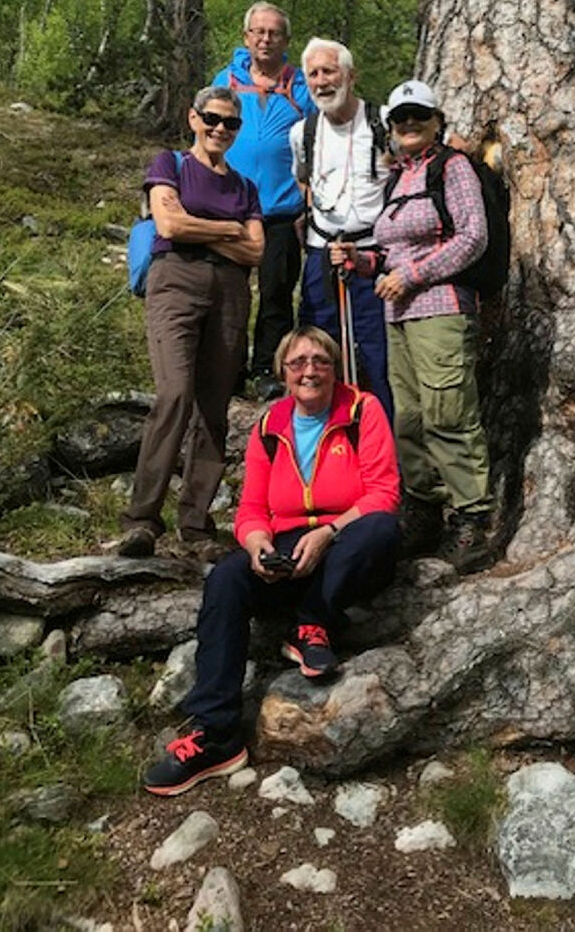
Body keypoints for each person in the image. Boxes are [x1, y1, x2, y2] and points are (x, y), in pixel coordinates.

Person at [142, 326, 400, 797]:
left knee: (381, 530)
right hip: (285, 546)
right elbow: (251, 510)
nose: (310, 370)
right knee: (225, 580)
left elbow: (383, 494)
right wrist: (258, 543)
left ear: (335, 367)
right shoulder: (269, 425)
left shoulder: (362, 410)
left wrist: (327, 532)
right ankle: (216, 734)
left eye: (320, 360)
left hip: (345, 542)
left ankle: (312, 623)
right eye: (298, 362)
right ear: (283, 372)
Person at [334, 79, 493, 572]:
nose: (408, 125)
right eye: (401, 118)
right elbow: (391, 251)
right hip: (397, 313)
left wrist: (411, 275)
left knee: (448, 413)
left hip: (441, 308)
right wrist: (363, 261)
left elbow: (473, 237)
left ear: (436, 121)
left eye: (418, 116)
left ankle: (472, 516)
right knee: (408, 417)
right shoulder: (397, 179)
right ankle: (423, 508)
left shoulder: (454, 167)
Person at [119, 86, 265, 558]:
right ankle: (141, 519)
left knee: (215, 406)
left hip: (231, 291)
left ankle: (197, 524)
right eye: (213, 119)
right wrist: (227, 228)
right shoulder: (171, 164)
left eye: (231, 123)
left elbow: (257, 250)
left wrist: (197, 224)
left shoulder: (245, 186)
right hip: (175, 282)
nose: (220, 128)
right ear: (194, 118)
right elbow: (169, 226)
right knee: (174, 393)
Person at [212, 2, 315, 401]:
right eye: (258, 31)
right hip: (229, 209)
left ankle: (266, 370)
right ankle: (229, 367)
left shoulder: (302, 87)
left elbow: (317, 143)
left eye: (274, 33)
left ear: (286, 41)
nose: (265, 39)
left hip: (282, 210)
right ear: (246, 38)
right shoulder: (226, 81)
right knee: (227, 294)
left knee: (276, 294)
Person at [290, 37, 393, 421]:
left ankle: (380, 460)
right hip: (321, 256)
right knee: (318, 355)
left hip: (372, 257)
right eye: (313, 74)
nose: (321, 82)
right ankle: (326, 447)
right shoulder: (303, 132)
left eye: (329, 71)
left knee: (376, 360)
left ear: (350, 75)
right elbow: (304, 180)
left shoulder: (383, 122)